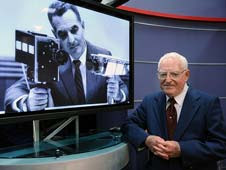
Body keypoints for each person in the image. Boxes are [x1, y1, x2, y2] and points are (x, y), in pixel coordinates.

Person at [4, 1, 128, 113]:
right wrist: (28, 103)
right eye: (62, 34)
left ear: (83, 25)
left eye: (74, 30)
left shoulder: (104, 54)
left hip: (99, 127)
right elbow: (13, 91)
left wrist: (118, 95)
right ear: (55, 34)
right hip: (63, 131)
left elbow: (122, 87)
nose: (71, 40)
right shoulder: (50, 58)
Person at [122, 52, 226, 170]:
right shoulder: (150, 101)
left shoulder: (208, 103)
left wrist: (182, 149)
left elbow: (221, 146)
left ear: (186, 75)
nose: (167, 80)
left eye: (174, 74)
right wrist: (147, 139)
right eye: (163, 74)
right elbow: (128, 125)